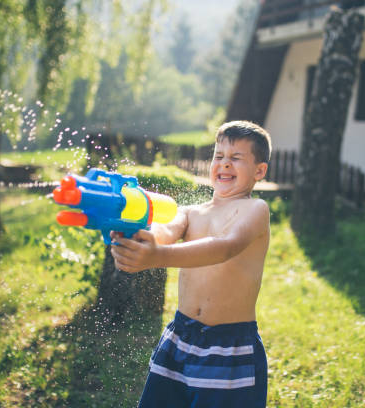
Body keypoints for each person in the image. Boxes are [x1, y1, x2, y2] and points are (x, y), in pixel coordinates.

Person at [111, 120, 272, 407]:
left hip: (229, 346)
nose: (224, 164)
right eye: (219, 156)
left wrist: (156, 257)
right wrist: (137, 239)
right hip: (179, 339)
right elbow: (163, 232)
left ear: (259, 171)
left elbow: (225, 247)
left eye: (236, 158)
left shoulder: (255, 210)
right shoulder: (190, 212)